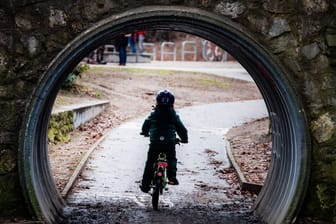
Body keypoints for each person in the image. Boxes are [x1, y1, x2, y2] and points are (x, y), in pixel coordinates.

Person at [139, 89, 188, 193]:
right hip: (169, 142)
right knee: (171, 158)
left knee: (150, 163)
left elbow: (146, 123)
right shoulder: (173, 115)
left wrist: (144, 132)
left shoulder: (154, 114)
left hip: (155, 142)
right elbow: (181, 128)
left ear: (157, 101)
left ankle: (145, 185)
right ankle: (172, 177)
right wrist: (184, 139)